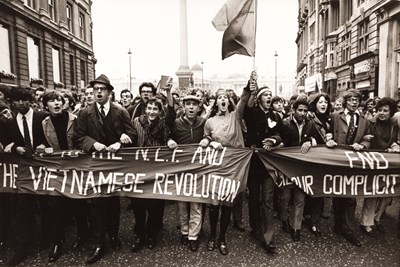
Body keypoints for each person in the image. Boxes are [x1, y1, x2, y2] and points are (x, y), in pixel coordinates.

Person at [74, 74, 136, 264]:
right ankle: (98, 243)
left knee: (113, 203)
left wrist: (121, 142)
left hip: (115, 166)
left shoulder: (120, 111)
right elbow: (78, 136)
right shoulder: (85, 113)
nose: (98, 92)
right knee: (96, 204)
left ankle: (114, 235)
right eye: (96, 90)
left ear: (110, 92)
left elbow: (132, 132)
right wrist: (94, 144)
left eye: (102, 89)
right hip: (95, 165)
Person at [200, 71, 254, 255]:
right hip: (217, 166)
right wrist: (209, 141)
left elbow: (245, 99)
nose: (222, 100)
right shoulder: (210, 122)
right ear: (215, 102)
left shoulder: (236, 116)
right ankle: (212, 236)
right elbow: (205, 138)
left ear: (229, 102)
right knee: (214, 204)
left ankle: (222, 237)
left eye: (225, 97)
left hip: (234, 166)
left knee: (228, 203)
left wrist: (250, 83)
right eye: (219, 97)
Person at [40, 90, 90, 262]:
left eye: (59, 100)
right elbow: (41, 142)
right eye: (52, 101)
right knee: (55, 206)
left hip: (76, 168)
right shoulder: (44, 123)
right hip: (57, 170)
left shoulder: (75, 120)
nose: (56, 103)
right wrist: (42, 148)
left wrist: (79, 151)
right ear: (46, 105)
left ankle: (83, 236)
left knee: (79, 204)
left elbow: (83, 139)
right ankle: (57, 242)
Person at [3, 87, 48, 266]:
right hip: (22, 172)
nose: (21, 104)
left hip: (43, 170)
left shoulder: (42, 117)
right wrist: (15, 148)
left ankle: (48, 240)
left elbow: (51, 139)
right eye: (17, 100)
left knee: (46, 205)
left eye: (24, 100)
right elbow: (5, 142)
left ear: (30, 100)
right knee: (22, 208)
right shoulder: (8, 122)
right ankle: (22, 246)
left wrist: (45, 145)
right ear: (11, 102)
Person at [130, 80, 175, 253]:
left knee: (156, 204)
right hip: (139, 171)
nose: (151, 111)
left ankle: (150, 233)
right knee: (139, 204)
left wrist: (170, 140)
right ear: (145, 109)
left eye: (155, 109)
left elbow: (168, 137)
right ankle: (140, 234)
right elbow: (130, 140)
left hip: (157, 171)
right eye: (149, 108)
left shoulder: (163, 125)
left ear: (159, 111)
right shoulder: (136, 122)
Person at [326, 88, 371, 247]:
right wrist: (329, 139)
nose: (354, 103)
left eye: (356, 100)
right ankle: (338, 225)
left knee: (352, 196)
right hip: (338, 160)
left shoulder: (364, 120)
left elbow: (367, 138)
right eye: (351, 100)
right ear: (346, 101)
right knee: (338, 194)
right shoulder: (335, 116)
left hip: (354, 161)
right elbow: (328, 132)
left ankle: (348, 229)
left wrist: (363, 145)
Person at [243, 85, 285, 254]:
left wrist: (274, 140)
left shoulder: (276, 115)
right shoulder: (252, 113)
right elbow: (247, 108)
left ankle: (268, 238)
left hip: (268, 165)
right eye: (265, 95)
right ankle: (255, 229)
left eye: (270, 94)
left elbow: (283, 134)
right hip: (254, 163)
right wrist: (252, 87)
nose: (269, 97)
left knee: (267, 200)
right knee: (254, 199)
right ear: (260, 98)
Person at [167, 95, 205, 252]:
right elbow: (167, 134)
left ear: (198, 107)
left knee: (196, 203)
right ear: (183, 107)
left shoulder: (203, 123)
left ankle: (193, 236)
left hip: (198, 170)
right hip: (181, 169)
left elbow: (210, 134)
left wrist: (208, 139)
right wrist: (169, 140)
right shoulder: (176, 123)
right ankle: (184, 231)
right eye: (188, 104)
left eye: (194, 105)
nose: (191, 107)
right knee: (182, 203)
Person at [360, 97, 399, 237]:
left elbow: (393, 140)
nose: (382, 113)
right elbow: (368, 140)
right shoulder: (371, 122)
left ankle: (377, 218)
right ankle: (366, 223)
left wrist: (394, 146)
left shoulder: (394, 124)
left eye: (385, 111)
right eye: (380, 110)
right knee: (372, 193)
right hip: (374, 162)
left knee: (387, 195)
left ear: (391, 112)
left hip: (388, 163)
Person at [279, 98, 317, 242]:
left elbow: (316, 139)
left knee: (300, 198)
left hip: (302, 168)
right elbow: (279, 139)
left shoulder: (311, 124)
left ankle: (296, 227)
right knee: (285, 197)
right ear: (293, 110)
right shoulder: (284, 123)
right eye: (299, 110)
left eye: (305, 111)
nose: (302, 113)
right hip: (286, 166)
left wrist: (310, 141)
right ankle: (284, 219)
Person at [305, 92, 332, 236]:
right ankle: (308, 216)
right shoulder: (310, 119)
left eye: (326, 102)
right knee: (311, 189)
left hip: (326, 160)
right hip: (312, 160)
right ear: (315, 104)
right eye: (320, 102)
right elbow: (304, 134)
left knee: (320, 191)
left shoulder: (330, 119)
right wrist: (310, 139)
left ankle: (314, 221)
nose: (323, 104)